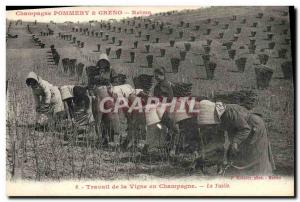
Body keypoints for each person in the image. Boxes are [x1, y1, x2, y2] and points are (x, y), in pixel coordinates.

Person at [197, 100, 276, 175]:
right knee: (240, 156)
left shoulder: (229, 111)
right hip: (243, 132)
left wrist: (235, 143)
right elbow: (221, 139)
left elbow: (245, 129)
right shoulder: (218, 119)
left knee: (255, 156)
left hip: (254, 127)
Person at [88, 54, 126, 149]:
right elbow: (90, 84)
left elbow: (116, 82)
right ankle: (103, 138)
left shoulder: (111, 71)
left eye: (104, 62)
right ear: (99, 62)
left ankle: (114, 138)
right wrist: (92, 93)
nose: (102, 63)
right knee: (99, 117)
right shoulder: (94, 72)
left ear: (107, 63)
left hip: (109, 95)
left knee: (110, 116)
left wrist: (110, 86)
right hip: (97, 95)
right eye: (101, 62)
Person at [153, 67, 179, 156]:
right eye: (155, 75)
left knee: (169, 129)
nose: (156, 77)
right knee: (172, 129)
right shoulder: (162, 85)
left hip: (165, 110)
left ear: (163, 75)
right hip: (164, 111)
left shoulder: (164, 85)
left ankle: (170, 148)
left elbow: (167, 99)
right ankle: (171, 148)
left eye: (158, 75)